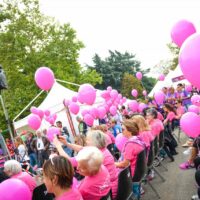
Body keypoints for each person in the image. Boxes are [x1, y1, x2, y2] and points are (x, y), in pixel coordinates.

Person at [54, 130, 118, 199]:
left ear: (94, 142)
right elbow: (82, 149)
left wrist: (58, 146)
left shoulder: (90, 159)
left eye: (88, 140)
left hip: (109, 191)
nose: (86, 141)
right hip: (109, 191)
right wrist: (67, 143)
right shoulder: (99, 155)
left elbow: (69, 161)